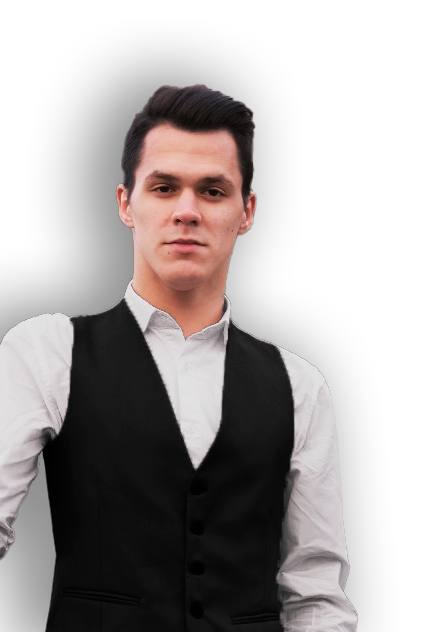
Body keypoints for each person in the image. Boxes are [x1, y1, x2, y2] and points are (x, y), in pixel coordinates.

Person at [0, 84, 358, 631]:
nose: (187, 212)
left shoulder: (300, 384)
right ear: (126, 203)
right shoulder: (47, 352)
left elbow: (315, 596)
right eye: (164, 187)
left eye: (213, 191)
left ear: (246, 211)